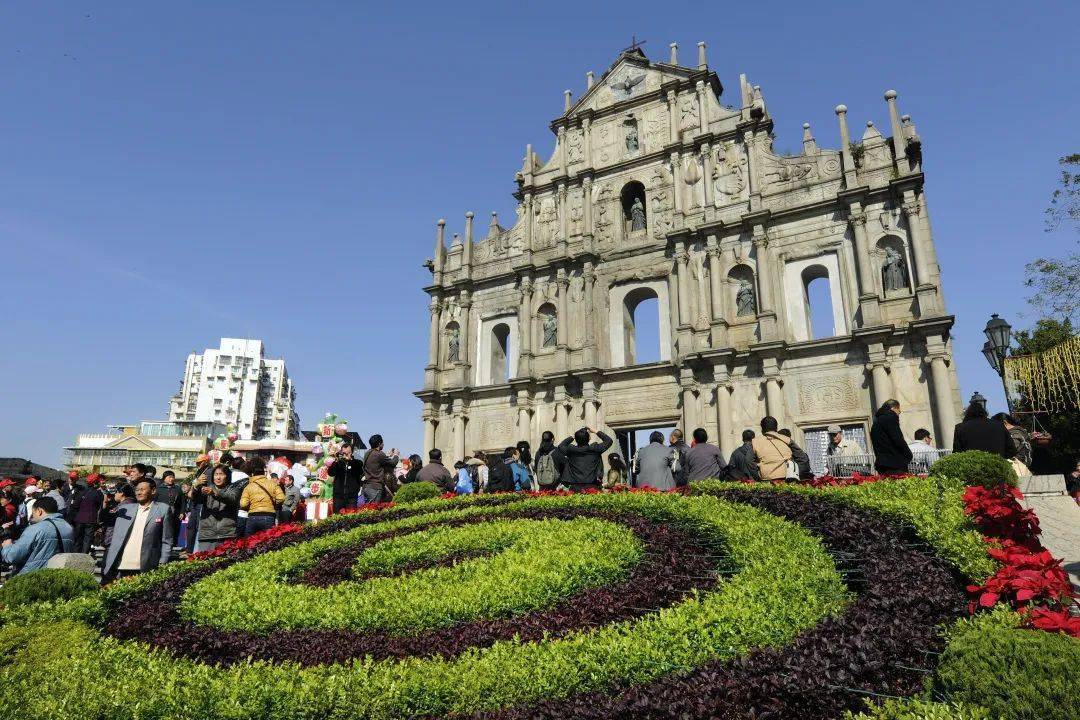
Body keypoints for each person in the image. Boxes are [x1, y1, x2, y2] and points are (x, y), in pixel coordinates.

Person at [102, 478, 174, 583]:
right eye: (137, 490)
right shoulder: (126, 508)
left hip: (145, 565)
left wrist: (163, 561)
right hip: (121, 564)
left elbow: (167, 539)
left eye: (142, 489)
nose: (139, 492)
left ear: (153, 491)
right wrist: (106, 504)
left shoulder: (163, 509)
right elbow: (104, 520)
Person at [1, 496, 73, 575]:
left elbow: (12, 556)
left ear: (39, 511)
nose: (32, 515)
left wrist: (7, 546)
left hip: (33, 577)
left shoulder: (36, 528)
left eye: (33, 512)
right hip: (58, 574)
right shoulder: (68, 527)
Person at [195, 464, 243, 552]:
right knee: (204, 564)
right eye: (216, 474)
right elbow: (195, 499)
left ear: (227, 476)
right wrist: (196, 486)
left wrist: (215, 493)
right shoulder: (206, 489)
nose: (218, 477)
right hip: (207, 535)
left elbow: (232, 498)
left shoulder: (234, 489)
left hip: (227, 534)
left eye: (221, 474)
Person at [557, 427, 613, 492]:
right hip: (592, 486)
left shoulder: (571, 450)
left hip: (575, 486)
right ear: (589, 438)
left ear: (576, 439)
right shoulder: (595, 449)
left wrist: (573, 436)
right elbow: (609, 441)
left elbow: (561, 446)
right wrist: (595, 431)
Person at [239, 457, 284, 536]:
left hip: (252, 516)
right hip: (269, 516)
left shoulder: (248, 487)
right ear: (264, 471)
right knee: (268, 542)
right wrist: (273, 503)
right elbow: (281, 498)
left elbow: (243, 504)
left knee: (250, 542)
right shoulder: (273, 484)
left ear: (252, 473)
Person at [870, 399, 913, 475]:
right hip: (895, 464)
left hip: (882, 464)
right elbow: (898, 439)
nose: (899, 412)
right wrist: (908, 454)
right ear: (893, 408)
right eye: (898, 410)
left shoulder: (876, 421)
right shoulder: (890, 417)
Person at [751, 416, 796, 481]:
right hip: (787, 477)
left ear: (762, 429)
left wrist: (757, 475)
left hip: (767, 479)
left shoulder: (755, 442)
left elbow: (749, 462)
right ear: (776, 427)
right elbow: (802, 458)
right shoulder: (787, 440)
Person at [71, 473, 104, 554]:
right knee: (87, 540)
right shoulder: (98, 494)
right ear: (95, 483)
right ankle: (84, 557)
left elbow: (75, 505)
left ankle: (75, 556)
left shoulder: (81, 492)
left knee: (78, 539)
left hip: (79, 519)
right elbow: (100, 507)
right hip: (91, 520)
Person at [362, 434, 400, 503]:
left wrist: (387, 455)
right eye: (382, 443)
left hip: (367, 486)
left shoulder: (367, 453)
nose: (383, 444)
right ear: (379, 444)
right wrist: (396, 455)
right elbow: (393, 463)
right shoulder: (379, 454)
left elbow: (377, 462)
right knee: (374, 510)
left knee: (368, 510)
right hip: (375, 487)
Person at [329, 441, 364, 513]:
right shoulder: (338, 462)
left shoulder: (357, 463)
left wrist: (350, 460)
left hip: (351, 496)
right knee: (337, 517)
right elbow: (331, 473)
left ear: (352, 453)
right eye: (343, 453)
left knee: (351, 517)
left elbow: (360, 472)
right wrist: (336, 461)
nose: (345, 455)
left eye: (347, 453)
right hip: (338, 495)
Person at [156, 470, 185, 549]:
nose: (171, 479)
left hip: (175, 513)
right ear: (164, 478)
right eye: (169, 477)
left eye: (173, 477)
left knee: (175, 529)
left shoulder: (178, 489)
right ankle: (161, 546)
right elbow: (155, 502)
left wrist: (182, 512)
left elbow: (183, 501)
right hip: (162, 514)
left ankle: (173, 545)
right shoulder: (159, 489)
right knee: (163, 530)